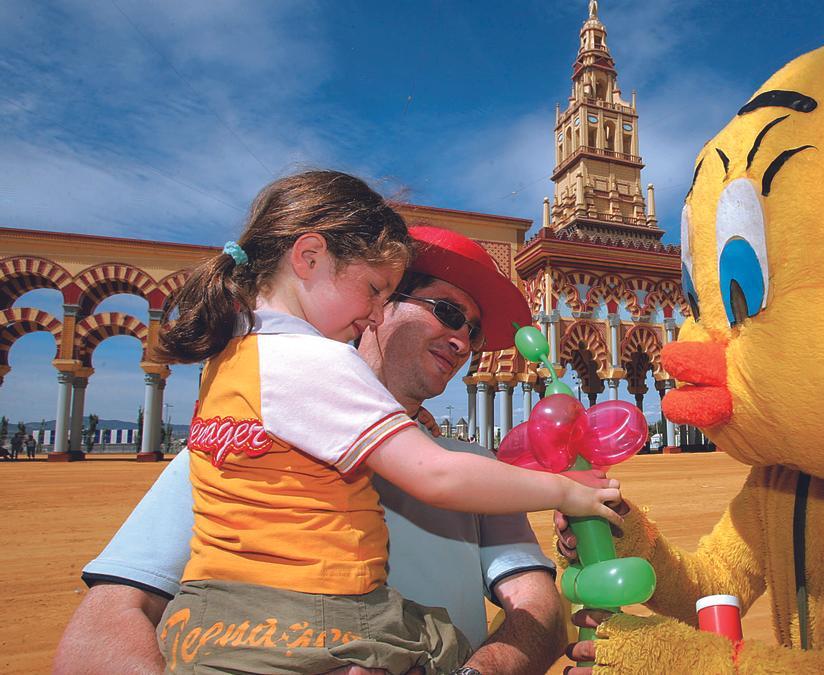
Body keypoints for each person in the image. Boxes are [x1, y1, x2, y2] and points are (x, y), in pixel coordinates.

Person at [79, 170, 620, 674]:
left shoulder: (480, 465)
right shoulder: (247, 444)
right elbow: (108, 615)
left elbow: (537, 604)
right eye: (448, 313)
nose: (463, 343)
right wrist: (563, 489)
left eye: (475, 334)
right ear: (381, 307)